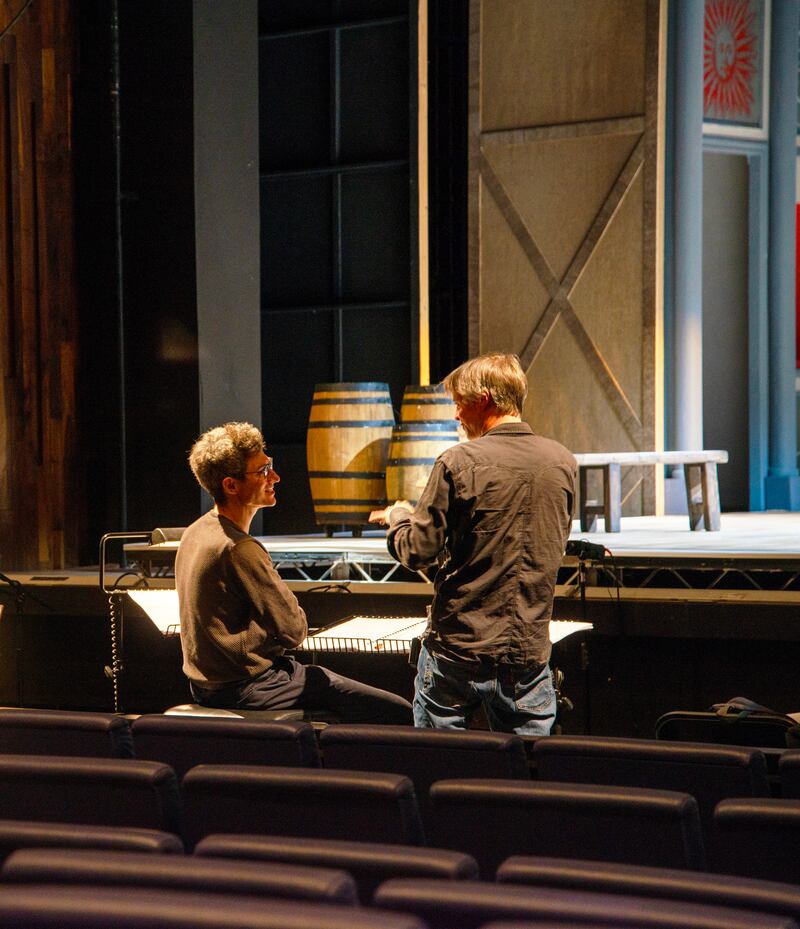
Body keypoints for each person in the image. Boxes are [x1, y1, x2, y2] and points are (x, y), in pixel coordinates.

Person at [369, 354, 576, 734]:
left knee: (440, 767)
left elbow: (417, 549)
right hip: (528, 653)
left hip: (457, 652)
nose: (456, 415)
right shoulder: (562, 462)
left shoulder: (457, 462)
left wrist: (399, 517)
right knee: (529, 778)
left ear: (483, 400)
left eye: (459, 403)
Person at [175, 421, 412, 723]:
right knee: (398, 711)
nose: (275, 476)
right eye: (262, 471)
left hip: (204, 686)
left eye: (269, 466)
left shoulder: (195, 533)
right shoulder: (240, 548)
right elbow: (294, 631)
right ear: (231, 485)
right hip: (251, 686)